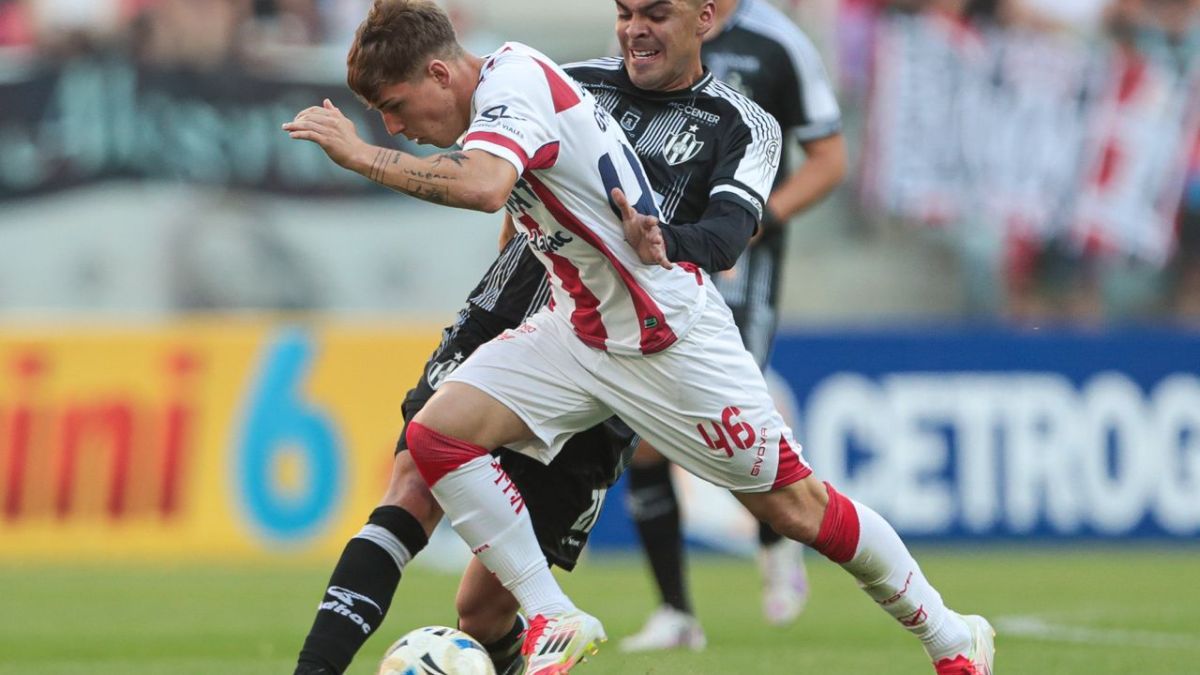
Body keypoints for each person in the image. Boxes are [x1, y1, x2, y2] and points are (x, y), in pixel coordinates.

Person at [285, 2, 995, 675]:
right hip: (575, 327)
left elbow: (487, 186)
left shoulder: (531, 86)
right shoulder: (548, 78)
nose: (633, 29)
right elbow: (519, 202)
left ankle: (952, 636)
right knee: (435, 438)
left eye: (397, 109)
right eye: (625, 13)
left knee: (795, 507)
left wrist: (361, 155)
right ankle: (552, 613)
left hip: (665, 339)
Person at [619, 0, 848, 652]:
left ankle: (778, 534)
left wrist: (755, 219)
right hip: (661, 255)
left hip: (742, 262)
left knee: (729, 414)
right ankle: (675, 612)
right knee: (643, 434)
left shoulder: (778, 43)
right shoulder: (649, 32)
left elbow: (829, 159)